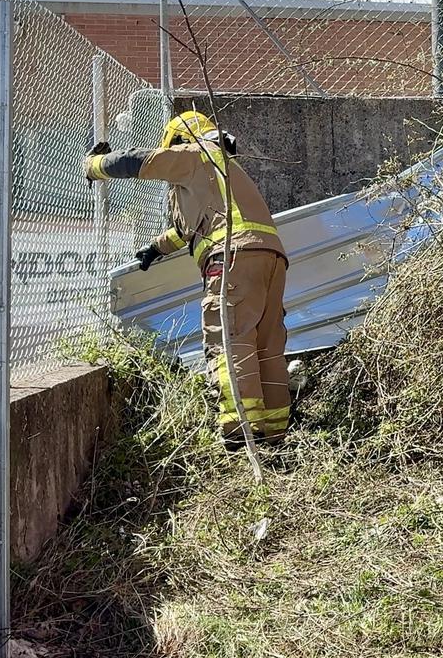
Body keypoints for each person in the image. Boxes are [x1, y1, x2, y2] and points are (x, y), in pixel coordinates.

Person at [86, 110, 291, 446]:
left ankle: (241, 433)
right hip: (270, 259)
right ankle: (275, 434)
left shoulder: (193, 154)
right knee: (267, 345)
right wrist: (156, 248)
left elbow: (137, 161)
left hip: (232, 257)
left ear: (179, 140)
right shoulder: (223, 169)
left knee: (229, 338)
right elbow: (190, 230)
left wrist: (95, 166)